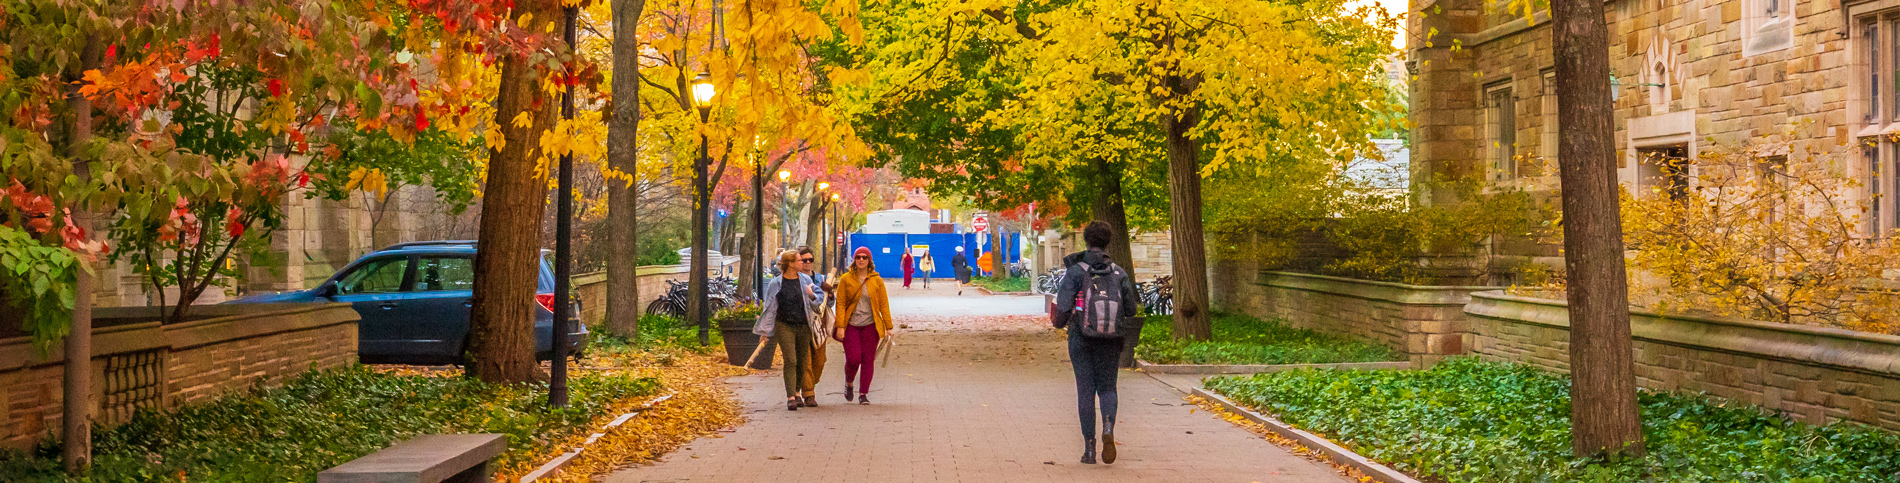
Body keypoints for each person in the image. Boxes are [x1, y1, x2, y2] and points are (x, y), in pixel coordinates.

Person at [1053, 221, 1138, 465]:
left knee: (1086, 391)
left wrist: (1061, 323)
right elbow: (1131, 309)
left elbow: (1063, 307)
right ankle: (1108, 428)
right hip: (1112, 339)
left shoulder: (1076, 271)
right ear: (1108, 242)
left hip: (1081, 338)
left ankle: (1089, 449)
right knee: (1109, 388)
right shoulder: (1119, 273)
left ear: (1086, 241)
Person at [754, 250, 825, 411]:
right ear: (791, 263)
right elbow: (769, 308)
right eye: (800, 260)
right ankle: (791, 397)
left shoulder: (805, 280)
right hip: (784, 325)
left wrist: (811, 294)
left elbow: (819, 298)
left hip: (803, 324)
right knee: (791, 360)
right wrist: (765, 332)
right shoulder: (776, 284)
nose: (803, 263)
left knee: (801, 360)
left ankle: (798, 391)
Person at [833, 246, 892, 404]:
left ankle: (863, 394)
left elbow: (884, 304)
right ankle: (849, 383)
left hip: (870, 326)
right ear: (854, 260)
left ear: (869, 261)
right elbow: (840, 304)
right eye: (858, 257)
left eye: (864, 257)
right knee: (853, 358)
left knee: (868, 360)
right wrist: (840, 326)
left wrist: (889, 326)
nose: (861, 260)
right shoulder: (846, 279)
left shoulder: (876, 280)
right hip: (851, 325)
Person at [796, 247, 832, 406]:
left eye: (811, 260)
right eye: (804, 260)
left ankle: (808, 384)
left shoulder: (821, 278)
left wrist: (830, 294)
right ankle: (809, 394)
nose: (808, 263)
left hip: (819, 326)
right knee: (806, 360)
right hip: (802, 323)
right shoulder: (794, 279)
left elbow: (829, 304)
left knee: (820, 360)